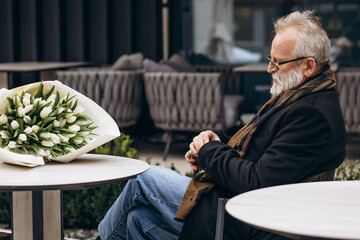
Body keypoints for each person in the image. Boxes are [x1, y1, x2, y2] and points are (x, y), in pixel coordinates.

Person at [97, 10, 346, 240]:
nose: (270, 68)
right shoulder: (302, 95)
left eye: (278, 63)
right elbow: (256, 147)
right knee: (138, 220)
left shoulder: (311, 115)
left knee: (142, 179)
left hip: (239, 214)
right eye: (270, 59)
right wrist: (215, 141)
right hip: (233, 204)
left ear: (308, 66)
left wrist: (208, 153)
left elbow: (257, 182)